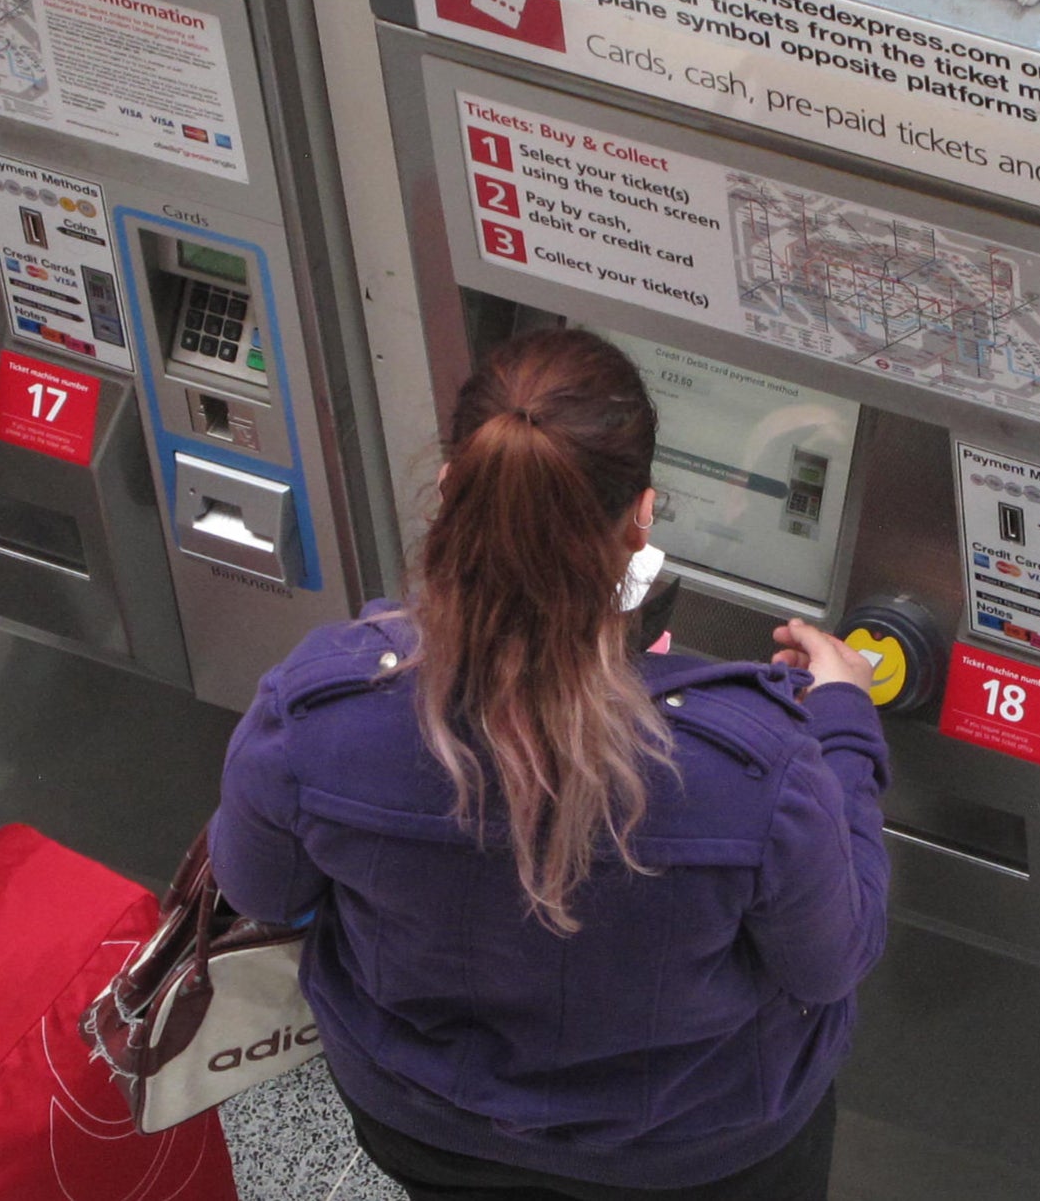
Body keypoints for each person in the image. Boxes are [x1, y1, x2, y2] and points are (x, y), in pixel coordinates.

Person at [210, 328, 887, 1201]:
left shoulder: (314, 711)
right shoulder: (754, 765)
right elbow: (831, 961)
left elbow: (264, 892)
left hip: (427, 1128)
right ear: (642, 515)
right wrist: (843, 719)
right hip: (699, 1159)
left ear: (452, 490)